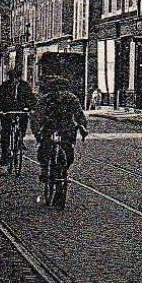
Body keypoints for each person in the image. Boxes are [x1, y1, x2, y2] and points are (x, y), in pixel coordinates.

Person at [32, 76, 88, 204]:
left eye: (62, 89)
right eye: (57, 89)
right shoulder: (47, 99)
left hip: (63, 130)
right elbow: (37, 116)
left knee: (66, 154)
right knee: (46, 150)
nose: (59, 92)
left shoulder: (68, 99)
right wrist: (37, 132)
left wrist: (83, 127)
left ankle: (59, 173)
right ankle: (47, 170)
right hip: (54, 129)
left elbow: (79, 115)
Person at [0, 66, 36, 169]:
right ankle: (5, 154)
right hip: (7, 111)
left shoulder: (25, 86)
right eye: (12, 78)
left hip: (21, 110)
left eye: (16, 78)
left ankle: (20, 138)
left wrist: (30, 108)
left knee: (23, 124)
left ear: (19, 78)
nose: (14, 80)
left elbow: (31, 98)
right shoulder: (4, 86)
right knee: (5, 132)